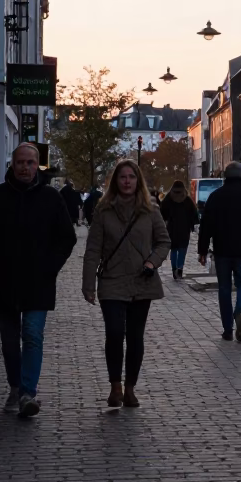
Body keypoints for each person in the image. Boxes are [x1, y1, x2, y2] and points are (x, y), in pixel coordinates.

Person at [0, 143, 77, 418]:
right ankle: (15, 386)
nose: (25, 168)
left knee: (32, 334)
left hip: (39, 281)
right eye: (20, 163)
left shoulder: (51, 198)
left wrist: (50, 267)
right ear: (12, 165)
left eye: (30, 163)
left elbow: (67, 238)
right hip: (5, 279)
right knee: (8, 341)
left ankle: (28, 392)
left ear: (37, 165)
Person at [82, 160, 171, 408]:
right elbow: (93, 249)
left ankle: (130, 387)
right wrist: (88, 284)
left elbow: (164, 242)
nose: (127, 181)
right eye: (123, 177)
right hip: (112, 280)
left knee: (135, 336)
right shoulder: (103, 211)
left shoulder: (150, 209)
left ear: (138, 180)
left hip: (142, 281)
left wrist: (152, 262)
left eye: (132, 177)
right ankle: (115, 386)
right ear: (116, 181)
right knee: (114, 333)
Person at [197, 161, 241, 342]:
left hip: (222, 250)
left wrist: (202, 250)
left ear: (225, 176)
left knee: (224, 287)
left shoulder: (215, 197)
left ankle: (227, 328)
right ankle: (240, 311)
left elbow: (206, 226)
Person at [160, 180, 200, 279]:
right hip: (184, 228)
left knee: (173, 249)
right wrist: (194, 225)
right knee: (182, 249)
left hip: (172, 228)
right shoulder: (187, 199)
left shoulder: (168, 198)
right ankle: (180, 268)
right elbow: (194, 213)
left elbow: (162, 212)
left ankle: (174, 269)